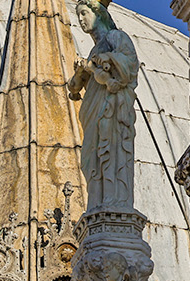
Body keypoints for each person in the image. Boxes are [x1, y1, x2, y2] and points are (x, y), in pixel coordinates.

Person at [68, 0, 138, 214]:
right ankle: (96, 202)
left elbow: (129, 66)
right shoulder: (92, 52)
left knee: (111, 151)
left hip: (112, 107)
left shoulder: (115, 37)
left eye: (84, 13)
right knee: (92, 157)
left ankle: (113, 202)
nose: (80, 20)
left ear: (99, 14)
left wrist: (107, 58)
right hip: (94, 110)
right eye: (78, 15)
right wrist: (82, 73)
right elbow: (75, 88)